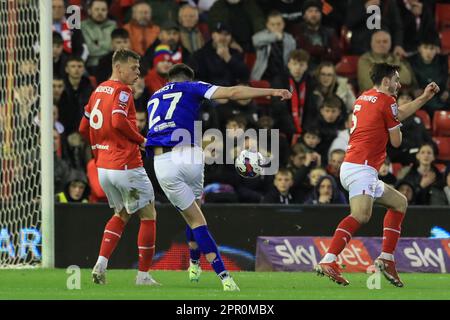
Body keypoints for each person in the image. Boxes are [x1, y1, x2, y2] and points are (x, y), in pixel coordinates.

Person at [145, 63, 291, 291]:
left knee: (193, 217)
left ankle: (202, 267)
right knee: (196, 214)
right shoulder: (191, 87)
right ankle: (218, 275)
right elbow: (233, 92)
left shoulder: (153, 97)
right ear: (188, 80)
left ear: (168, 81)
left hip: (162, 162)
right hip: (190, 156)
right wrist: (271, 92)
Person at [314, 63, 440, 287]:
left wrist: (423, 98)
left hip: (356, 166)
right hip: (361, 168)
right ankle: (329, 259)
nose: (399, 84)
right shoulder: (386, 101)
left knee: (399, 203)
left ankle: (387, 258)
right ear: (386, 81)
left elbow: (397, 113)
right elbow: (396, 141)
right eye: (396, 80)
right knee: (361, 215)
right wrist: (396, 127)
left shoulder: (365, 96)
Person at [79, 49, 159, 286]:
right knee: (148, 214)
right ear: (119, 67)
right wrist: (141, 140)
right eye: (134, 68)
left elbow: (83, 128)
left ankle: (100, 264)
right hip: (125, 165)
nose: (138, 72)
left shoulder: (98, 91)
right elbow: (117, 120)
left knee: (122, 213)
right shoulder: (123, 91)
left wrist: (99, 145)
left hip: (103, 167)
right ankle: (143, 276)